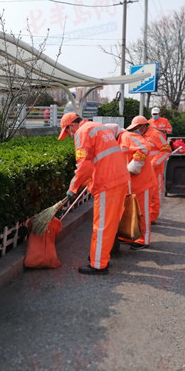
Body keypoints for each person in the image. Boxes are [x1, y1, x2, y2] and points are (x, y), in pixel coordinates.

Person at [58, 113, 130, 275]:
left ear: (71, 126)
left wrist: (73, 187)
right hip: (120, 179)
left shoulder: (82, 133)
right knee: (110, 223)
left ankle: (98, 264)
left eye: (68, 132)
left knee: (102, 225)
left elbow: (85, 165)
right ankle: (102, 255)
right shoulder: (98, 127)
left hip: (107, 182)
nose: (70, 136)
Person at [117, 116, 157, 249]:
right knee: (129, 211)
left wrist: (134, 167)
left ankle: (143, 240)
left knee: (142, 212)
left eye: (137, 127)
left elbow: (144, 148)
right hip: (131, 183)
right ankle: (127, 235)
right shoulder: (119, 140)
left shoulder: (127, 137)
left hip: (143, 182)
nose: (136, 130)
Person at [142, 123, 172, 224]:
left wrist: (154, 164)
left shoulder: (156, 134)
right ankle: (145, 216)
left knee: (155, 195)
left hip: (155, 170)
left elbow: (167, 150)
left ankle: (152, 218)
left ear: (143, 126)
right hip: (144, 170)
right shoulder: (140, 135)